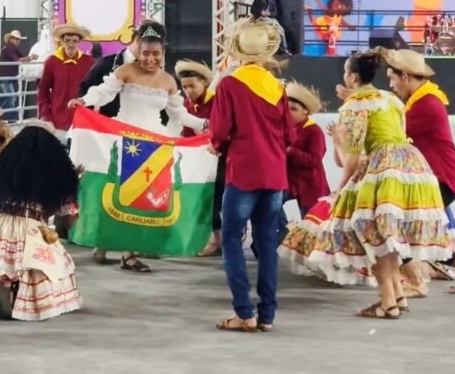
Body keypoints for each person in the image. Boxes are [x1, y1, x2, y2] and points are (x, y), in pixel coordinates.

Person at [312, 51, 451, 319]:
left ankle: (388, 302)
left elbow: (352, 157)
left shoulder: (354, 105)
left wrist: (341, 188)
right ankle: (396, 295)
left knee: (375, 235)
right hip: (411, 166)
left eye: (346, 73)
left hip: (383, 167)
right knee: (387, 234)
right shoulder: (391, 99)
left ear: (352, 78)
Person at [70, 21, 206, 272]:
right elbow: (104, 92)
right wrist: (83, 100)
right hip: (124, 139)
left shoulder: (168, 81)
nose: (150, 59)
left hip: (153, 143)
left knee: (140, 200)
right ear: (138, 50)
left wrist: (204, 124)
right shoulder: (125, 71)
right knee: (115, 193)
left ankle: (129, 253)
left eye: (156, 54)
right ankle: (104, 242)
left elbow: (179, 115)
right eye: (146, 53)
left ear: (162, 53)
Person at [209, 18, 294, 332]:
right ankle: (267, 315)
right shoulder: (277, 87)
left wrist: (216, 146)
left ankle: (244, 312)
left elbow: (220, 131)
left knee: (232, 240)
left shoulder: (230, 84)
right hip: (274, 175)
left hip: (243, 171)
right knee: (267, 243)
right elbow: (290, 135)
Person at [382, 48, 455, 295]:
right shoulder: (423, 99)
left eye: (392, 79)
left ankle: (417, 280)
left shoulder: (427, 104)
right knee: (416, 233)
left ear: (405, 76)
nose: (391, 85)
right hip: (434, 179)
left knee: (403, 229)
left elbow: (392, 131)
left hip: (441, 180)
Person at [0, 122, 82, 321]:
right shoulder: (53, 174)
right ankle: (18, 297)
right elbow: (64, 219)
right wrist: (72, 183)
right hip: (33, 225)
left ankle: (4, 284)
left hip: (1, 224)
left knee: (1, 261)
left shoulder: (4, 168)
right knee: (44, 267)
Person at [174, 59, 224, 257]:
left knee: (214, 203)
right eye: (184, 87)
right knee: (200, 202)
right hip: (199, 162)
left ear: (204, 82)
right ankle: (209, 239)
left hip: (221, 160)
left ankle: (217, 240)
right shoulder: (186, 105)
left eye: (192, 86)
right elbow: (187, 134)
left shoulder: (218, 102)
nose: (188, 91)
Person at [284, 81, 328, 219]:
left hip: (310, 186)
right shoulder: (287, 128)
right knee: (267, 205)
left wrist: (291, 151)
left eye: (293, 109)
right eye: (287, 109)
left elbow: (315, 160)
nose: (288, 113)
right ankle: (285, 229)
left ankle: (286, 229)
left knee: (310, 222)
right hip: (291, 183)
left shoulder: (314, 131)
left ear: (306, 111)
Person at [39, 24, 95, 133]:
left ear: (79, 42)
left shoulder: (89, 62)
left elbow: (94, 89)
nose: (71, 44)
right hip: (58, 122)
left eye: (74, 41)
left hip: (83, 122)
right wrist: (46, 117)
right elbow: (43, 92)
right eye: (67, 40)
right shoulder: (51, 62)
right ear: (62, 42)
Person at [0, 30, 35, 118]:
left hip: (7, 77)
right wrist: (31, 57)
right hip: (6, 78)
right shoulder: (9, 49)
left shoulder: (10, 48)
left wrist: (29, 58)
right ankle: (8, 118)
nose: (19, 41)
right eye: (16, 39)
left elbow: (20, 60)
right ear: (11, 39)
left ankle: (0, 116)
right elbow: (18, 60)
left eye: (19, 39)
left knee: (5, 98)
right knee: (11, 97)